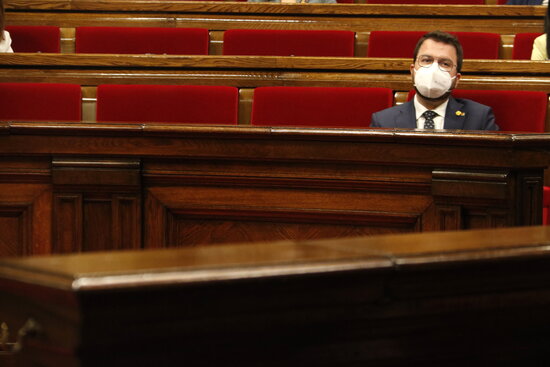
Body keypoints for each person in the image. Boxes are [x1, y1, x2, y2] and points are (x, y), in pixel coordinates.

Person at [371, 31, 498, 131]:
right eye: (426, 60)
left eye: (445, 64)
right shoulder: (383, 121)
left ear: (457, 79)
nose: (434, 69)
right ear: (412, 71)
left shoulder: (480, 118)